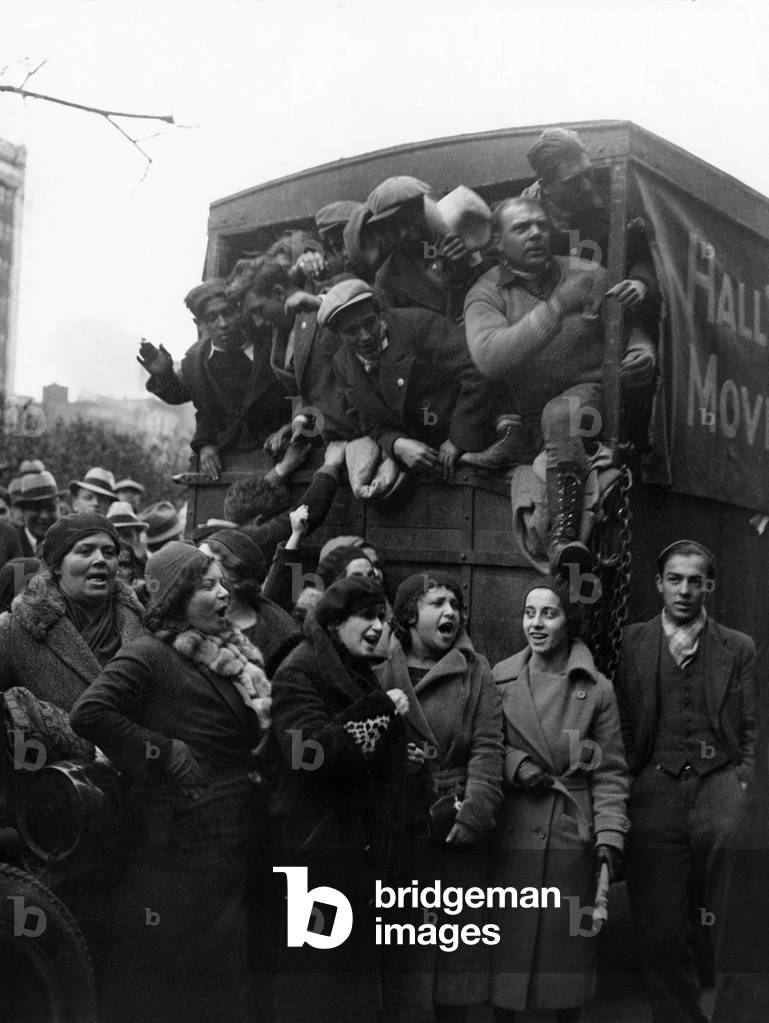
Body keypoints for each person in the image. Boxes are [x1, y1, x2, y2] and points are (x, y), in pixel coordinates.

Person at [70, 542, 271, 1023]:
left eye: (223, 583)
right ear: (178, 596)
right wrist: (164, 751)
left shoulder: (228, 653)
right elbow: (89, 713)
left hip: (230, 841)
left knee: (224, 980)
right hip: (176, 852)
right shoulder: (150, 654)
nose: (224, 594)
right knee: (174, 985)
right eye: (208, 586)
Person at [463, 196, 652, 573]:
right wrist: (556, 307)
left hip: (592, 404)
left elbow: (632, 326)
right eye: (521, 228)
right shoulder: (485, 293)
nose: (535, 233)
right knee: (551, 416)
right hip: (532, 421)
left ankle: (565, 538)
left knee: (561, 413)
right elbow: (490, 357)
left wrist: (642, 351)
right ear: (498, 242)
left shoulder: (589, 273)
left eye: (541, 225)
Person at [615, 540, 756, 1023]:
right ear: (658, 584)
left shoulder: (737, 648)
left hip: (720, 788)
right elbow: (626, 723)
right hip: (655, 789)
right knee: (660, 931)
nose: (685, 589)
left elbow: (755, 726)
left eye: (696, 580)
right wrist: (635, 782)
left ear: (710, 586)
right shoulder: (633, 641)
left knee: (735, 922)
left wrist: (741, 783)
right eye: (675, 579)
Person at [270, 575, 409, 1023]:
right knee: (314, 976)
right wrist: (379, 712)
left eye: (383, 618)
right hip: (314, 849)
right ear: (334, 623)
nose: (378, 627)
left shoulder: (349, 667)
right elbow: (307, 755)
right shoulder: (299, 670)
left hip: (348, 850)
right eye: (366, 616)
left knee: (346, 977)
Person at [490, 576, 629, 1023]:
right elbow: (485, 745)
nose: (536, 623)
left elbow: (609, 773)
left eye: (549, 613)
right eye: (530, 613)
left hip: (568, 834)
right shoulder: (501, 677)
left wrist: (608, 837)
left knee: (564, 964)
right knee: (506, 962)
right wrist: (515, 765)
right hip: (512, 833)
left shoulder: (597, 689)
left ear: (569, 620)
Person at [377, 572, 503, 1023]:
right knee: (399, 964)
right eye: (436, 604)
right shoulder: (378, 669)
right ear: (409, 615)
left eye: (454, 603)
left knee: (454, 969)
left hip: (453, 829)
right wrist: (395, 764)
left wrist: (473, 814)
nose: (450, 612)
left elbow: (489, 748)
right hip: (400, 832)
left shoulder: (476, 670)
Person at [319, 278, 494, 478]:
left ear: (378, 313)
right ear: (336, 334)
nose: (365, 336)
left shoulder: (417, 325)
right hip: (420, 463)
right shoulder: (342, 364)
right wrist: (396, 444)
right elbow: (368, 421)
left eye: (370, 322)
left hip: (471, 442)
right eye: (351, 331)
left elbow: (477, 367)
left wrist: (458, 438)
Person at [138, 278, 288, 478]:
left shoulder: (272, 344)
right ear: (199, 324)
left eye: (227, 313)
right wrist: (205, 443)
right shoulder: (196, 362)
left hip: (283, 453)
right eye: (212, 318)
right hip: (230, 459)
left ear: (239, 310)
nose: (223, 324)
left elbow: (302, 392)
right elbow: (198, 405)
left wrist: (291, 428)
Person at [0, 513, 145, 714]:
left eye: (109, 552)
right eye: (85, 552)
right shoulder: (17, 630)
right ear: (58, 566)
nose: (100, 559)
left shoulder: (142, 624)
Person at [234, 255, 358, 445]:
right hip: (329, 439)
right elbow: (305, 390)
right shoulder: (278, 336)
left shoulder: (338, 287)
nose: (257, 322)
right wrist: (297, 422)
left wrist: (320, 302)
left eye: (258, 309)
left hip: (368, 431)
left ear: (278, 293)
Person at [198, 527, 302, 675]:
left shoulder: (279, 636)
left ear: (236, 574)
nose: (195, 570)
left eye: (206, 562)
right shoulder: (192, 614)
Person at [13, 470, 61, 556]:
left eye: (50, 508)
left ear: (59, 509)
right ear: (23, 512)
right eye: (36, 508)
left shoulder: (69, 543)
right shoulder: (10, 545)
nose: (44, 516)